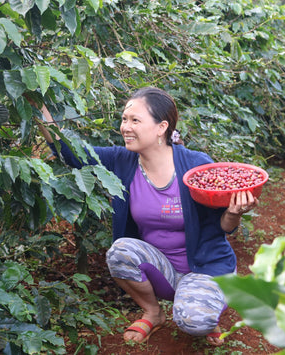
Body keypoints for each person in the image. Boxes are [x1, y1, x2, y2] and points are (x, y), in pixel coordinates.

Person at [34, 87, 258, 346]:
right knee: (120, 251)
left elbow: (222, 226)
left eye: (135, 120)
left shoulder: (196, 165)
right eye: (124, 119)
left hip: (206, 267)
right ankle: (154, 311)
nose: (125, 127)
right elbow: (70, 152)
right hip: (161, 268)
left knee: (195, 321)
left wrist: (233, 213)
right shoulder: (123, 161)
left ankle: (206, 304)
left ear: (161, 127)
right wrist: (37, 105)